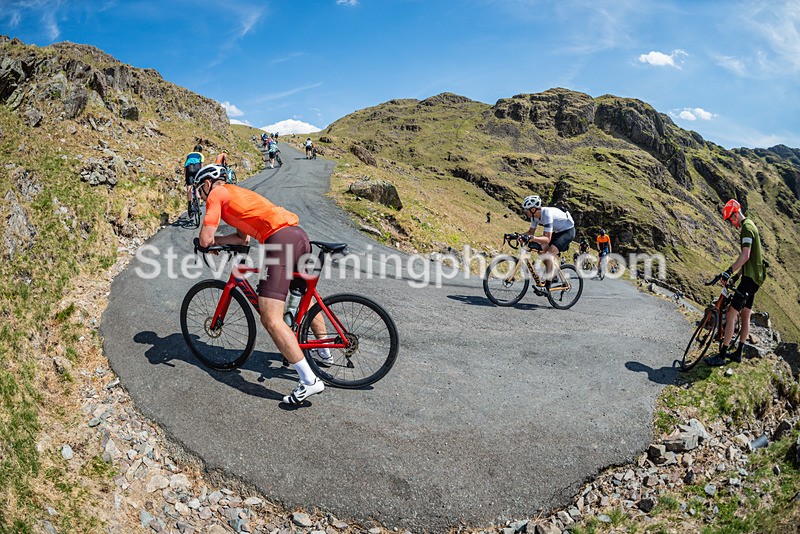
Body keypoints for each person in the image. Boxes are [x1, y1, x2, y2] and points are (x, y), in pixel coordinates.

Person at [193, 164, 331, 404]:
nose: (200, 196)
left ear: (206, 184)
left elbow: (205, 238)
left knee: (270, 318)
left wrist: (205, 243)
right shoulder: (236, 194)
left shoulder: (215, 194)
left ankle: (309, 381)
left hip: (279, 241)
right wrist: (218, 243)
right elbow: (241, 238)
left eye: (199, 190)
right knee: (303, 296)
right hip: (298, 235)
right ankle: (324, 351)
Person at [704, 199, 767, 366]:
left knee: (732, 314)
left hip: (750, 279)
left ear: (736, 212)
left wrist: (729, 271)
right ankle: (738, 353)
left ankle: (722, 355)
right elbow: (750, 258)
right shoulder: (751, 225)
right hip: (754, 278)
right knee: (745, 315)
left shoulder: (746, 228)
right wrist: (737, 275)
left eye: (731, 219)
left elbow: (745, 255)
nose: (732, 223)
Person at [519, 195, 575, 287]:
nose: (525, 212)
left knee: (549, 253)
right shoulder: (534, 217)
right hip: (557, 231)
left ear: (533, 209)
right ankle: (553, 273)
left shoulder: (546, 214)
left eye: (526, 209)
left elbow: (547, 238)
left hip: (568, 231)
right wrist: (519, 235)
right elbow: (530, 232)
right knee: (540, 250)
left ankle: (548, 285)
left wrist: (532, 238)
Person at [183, 144, 204, 213]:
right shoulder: (201, 155)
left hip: (189, 169)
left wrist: (186, 177)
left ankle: (189, 205)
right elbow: (202, 166)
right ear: (201, 150)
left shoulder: (189, 154)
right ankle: (198, 205)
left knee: (189, 187)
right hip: (197, 168)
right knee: (197, 186)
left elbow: (185, 166)